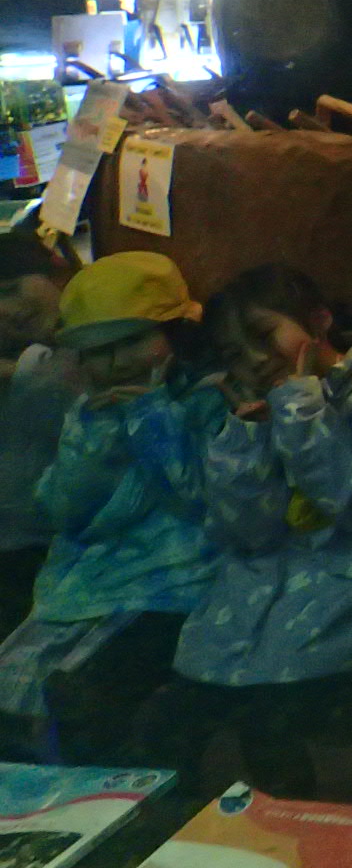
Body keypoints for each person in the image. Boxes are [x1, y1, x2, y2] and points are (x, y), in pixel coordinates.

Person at [141, 266, 352, 796]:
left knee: (275, 733)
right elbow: (246, 532)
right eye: (234, 353)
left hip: (345, 602)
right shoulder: (252, 406)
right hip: (245, 616)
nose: (256, 359)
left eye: (265, 336)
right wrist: (246, 436)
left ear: (320, 320)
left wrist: (302, 407)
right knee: (163, 730)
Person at [0, 253, 223, 765]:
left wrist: (151, 414)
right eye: (99, 351)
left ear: (174, 333)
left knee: (90, 707)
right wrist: (96, 439)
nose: (119, 362)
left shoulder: (208, 400)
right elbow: (64, 511)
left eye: (133, 341)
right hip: (80, 589)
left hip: (173, 586)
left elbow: (192, 496)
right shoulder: (90, 411)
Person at [0, 232, 82, 636]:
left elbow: (68, 386)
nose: (6, 311)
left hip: (61, 551)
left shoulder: (101, 341)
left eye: (10, 289)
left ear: (57, 271)